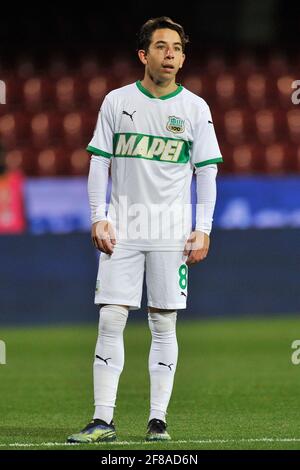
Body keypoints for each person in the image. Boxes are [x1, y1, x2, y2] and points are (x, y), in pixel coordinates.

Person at [67, 16, 222, 443]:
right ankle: (103, 420)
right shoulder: (117, 101)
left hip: (171, 233)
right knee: (111, 318)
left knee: (162, 323)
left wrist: (203, 227)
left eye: (176, 48)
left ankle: (158, 420)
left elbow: (206, 171)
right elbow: (100, 162)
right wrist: (98, 215)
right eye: (160, 46)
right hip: (124, 227)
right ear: (144, 54)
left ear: (183, 57)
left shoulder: (195, 108)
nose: (169, 54)